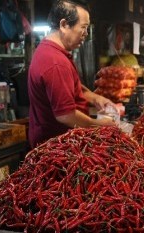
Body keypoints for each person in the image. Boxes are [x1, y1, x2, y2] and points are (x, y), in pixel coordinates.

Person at [27, 0, 117, 148]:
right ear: (64, 25)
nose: (86, 34)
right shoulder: (56, 63)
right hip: (57, 150)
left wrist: (95, 98)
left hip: (60, 144)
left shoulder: (49, 50)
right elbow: (66, 115)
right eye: (83, 27)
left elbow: (71, 88)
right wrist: (98, 125)